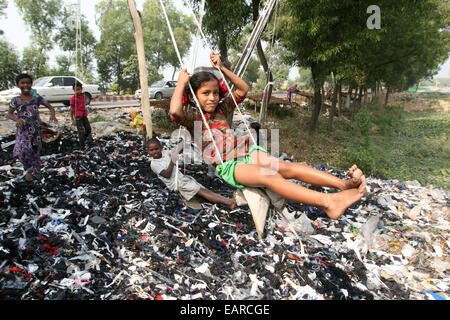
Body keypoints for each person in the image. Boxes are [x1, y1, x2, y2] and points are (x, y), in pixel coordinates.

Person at [170, 52, 367, 220]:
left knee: (285, 167)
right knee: (270, 176)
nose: (212, 97)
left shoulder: (222, 108)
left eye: (215, 92)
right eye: (205, 93)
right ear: (194, 95)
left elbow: (243, 89)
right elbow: (175, 112)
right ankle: (328, 202)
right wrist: (181, 83)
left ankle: (343, 184)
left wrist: (221, 68)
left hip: (247, 152)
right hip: (229, 165)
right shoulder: (193, 117)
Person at [147, 137, 236, 209]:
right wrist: (173, 160)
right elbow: (167, 175)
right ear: (148, 151)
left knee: (205, 190)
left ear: (161, 148)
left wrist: (184, 142)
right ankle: (228, 202)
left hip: (183, 179)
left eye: (156, 149)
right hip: (177, 184)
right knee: (203, 192)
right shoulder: (154, 164)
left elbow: (178, 151)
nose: (155, 152)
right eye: (152, 150)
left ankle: (226, 200)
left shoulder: (165, 153)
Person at [7, 73, 58, 181]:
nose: (25, 85)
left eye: (28, 83)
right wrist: (17, 119)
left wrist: (52, 115)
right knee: (23, 151)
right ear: (18, 85)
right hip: (23, 130)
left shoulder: (36, 98)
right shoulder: (16, 100)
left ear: (31, 84)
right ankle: (28, 170)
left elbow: (50, 107)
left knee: (35, 152)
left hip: (36, 130)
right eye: (22, 83)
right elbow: (9, 114)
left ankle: (36, 175)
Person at [70, 81, 92, 149]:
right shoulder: (73, 99)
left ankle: (84, 140)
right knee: (80, 131)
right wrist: (72, 119)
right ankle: (82, 146)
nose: (78, 91)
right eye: (76, 90)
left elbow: (84, 105)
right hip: (78, 115)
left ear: (81, 89)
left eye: (79, 89)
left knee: (88, 129)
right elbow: (72, 109)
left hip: (84, 114)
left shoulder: (83, 96)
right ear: (74, 90)